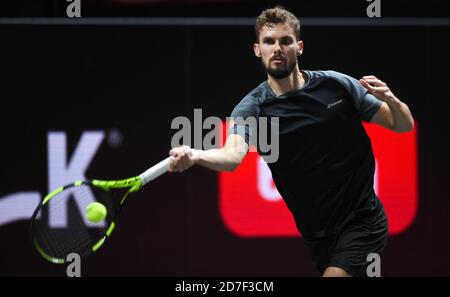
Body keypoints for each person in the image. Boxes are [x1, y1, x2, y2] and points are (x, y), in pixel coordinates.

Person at [167, 6, 414, 277]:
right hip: (317, 234)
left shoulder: (337, 85)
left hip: (362, 218)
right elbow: (231, 158)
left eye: (285, 41)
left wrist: (391, 99)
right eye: (269, 42)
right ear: (257, 50)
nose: (277, 48)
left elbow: (402, 125)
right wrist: (195, 155)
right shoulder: (253, 108)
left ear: (299, 46)